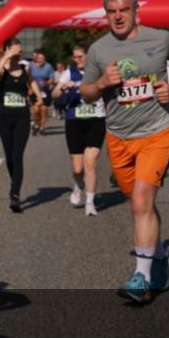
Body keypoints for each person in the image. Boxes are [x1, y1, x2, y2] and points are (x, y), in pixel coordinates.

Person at [81, 0, 169, 303]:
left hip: (157, 132)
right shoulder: (98, 50)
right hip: (118, 136)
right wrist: (102, 82)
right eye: (112, 11)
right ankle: (160, 255)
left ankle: (140, 277)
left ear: (136, 10)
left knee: (140, 202)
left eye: (124, 10)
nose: (118, 16)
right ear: (106, 13)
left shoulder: (161, 39)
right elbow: (86, 92)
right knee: (138, 202)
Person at [0, 38, 43, 212]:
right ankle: (15, 182)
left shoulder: (24, 67)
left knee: (18, 156)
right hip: (5, 118)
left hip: (22, 118)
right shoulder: (2, 68)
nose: (19, 54)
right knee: (10, 157)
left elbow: (31, 81)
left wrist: (38, 95)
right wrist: (5, 58)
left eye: (20, 51)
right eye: (16, 50)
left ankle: (15, 194)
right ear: (7, 50)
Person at [52, 43, 107, 216]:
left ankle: (90, 202)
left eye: (80, 57)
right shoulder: (69, 73)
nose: (77, 60)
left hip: (96, 120)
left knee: (90, 162)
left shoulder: (99, 72)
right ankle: (78, 186)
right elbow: (54, 94)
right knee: (77, 168)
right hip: (74, 121)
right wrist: (62, 87)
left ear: (88, 56)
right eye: (74, 57)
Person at [29, 49, 55, 135]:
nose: (41, 60)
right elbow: (27, 78)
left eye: (43, 58)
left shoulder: (48, 66)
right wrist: (29, 88)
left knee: (43, 110)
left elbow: (52, 79)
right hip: (34, 92)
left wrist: (46, 82)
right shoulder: (31, 66)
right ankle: (36, 124)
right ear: (36, 59)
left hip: (45, 92)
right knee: (36, 110)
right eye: (39, 58)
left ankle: (42, 128)